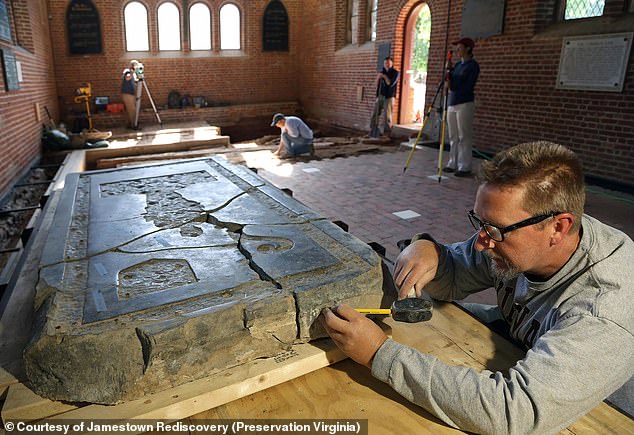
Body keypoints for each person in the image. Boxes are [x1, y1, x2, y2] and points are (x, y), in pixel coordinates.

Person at [321, 141, 634, 434]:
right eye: (479, 222)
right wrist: (431, 252)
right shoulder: (526, 236)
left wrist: (378, 354)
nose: (482, 242)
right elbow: (456, 277)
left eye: (495, 229)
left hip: (601, 411)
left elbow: (511, 412)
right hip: (519, 349)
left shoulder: (603, 309)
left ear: (558, 227)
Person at [444, 37, 480, 177]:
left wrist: (453, 85)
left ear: (468, 49)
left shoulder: (473, 66)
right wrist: (448, 74)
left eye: (460, 47)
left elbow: (468, 86)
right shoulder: (458, 65)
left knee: (463, 135)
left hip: (464, 103)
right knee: (453, 136)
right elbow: (449, 80)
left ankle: (464, 166)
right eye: (457, 47)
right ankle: (452, 163)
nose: (457, 50)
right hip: (452, 102)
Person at [369, 56, 399, 138]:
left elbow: (390, 83)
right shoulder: (381, 72)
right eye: (385, 63)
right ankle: (373, 129)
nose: (387, 64)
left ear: (392, 64)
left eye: (389, 63)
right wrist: (378, 78)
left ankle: (387, 133)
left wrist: (384, 76)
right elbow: (376, 85)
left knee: (387, 116)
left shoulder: (395, 73)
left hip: (389, 97)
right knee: (375, 113)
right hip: (380, 96)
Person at [121, 60, 139, 129]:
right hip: (127, 94)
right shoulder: (127, 71)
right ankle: (134, 125)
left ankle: (128, 124)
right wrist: (132, 72)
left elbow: (134, 81)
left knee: (129, 110)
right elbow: (127, 78)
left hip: (131, 93)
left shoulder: (132, 73)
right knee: (132, 110)